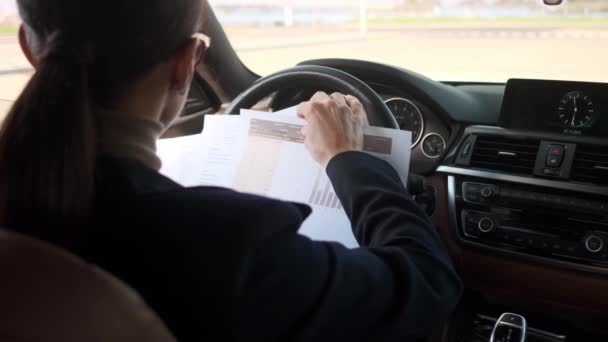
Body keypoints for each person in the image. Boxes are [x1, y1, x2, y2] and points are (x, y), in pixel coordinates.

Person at [0, 0, 462, 341]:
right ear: (188, 64)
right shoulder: (220, 245)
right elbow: (426, 285)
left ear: (30, 48)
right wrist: (347, 158)